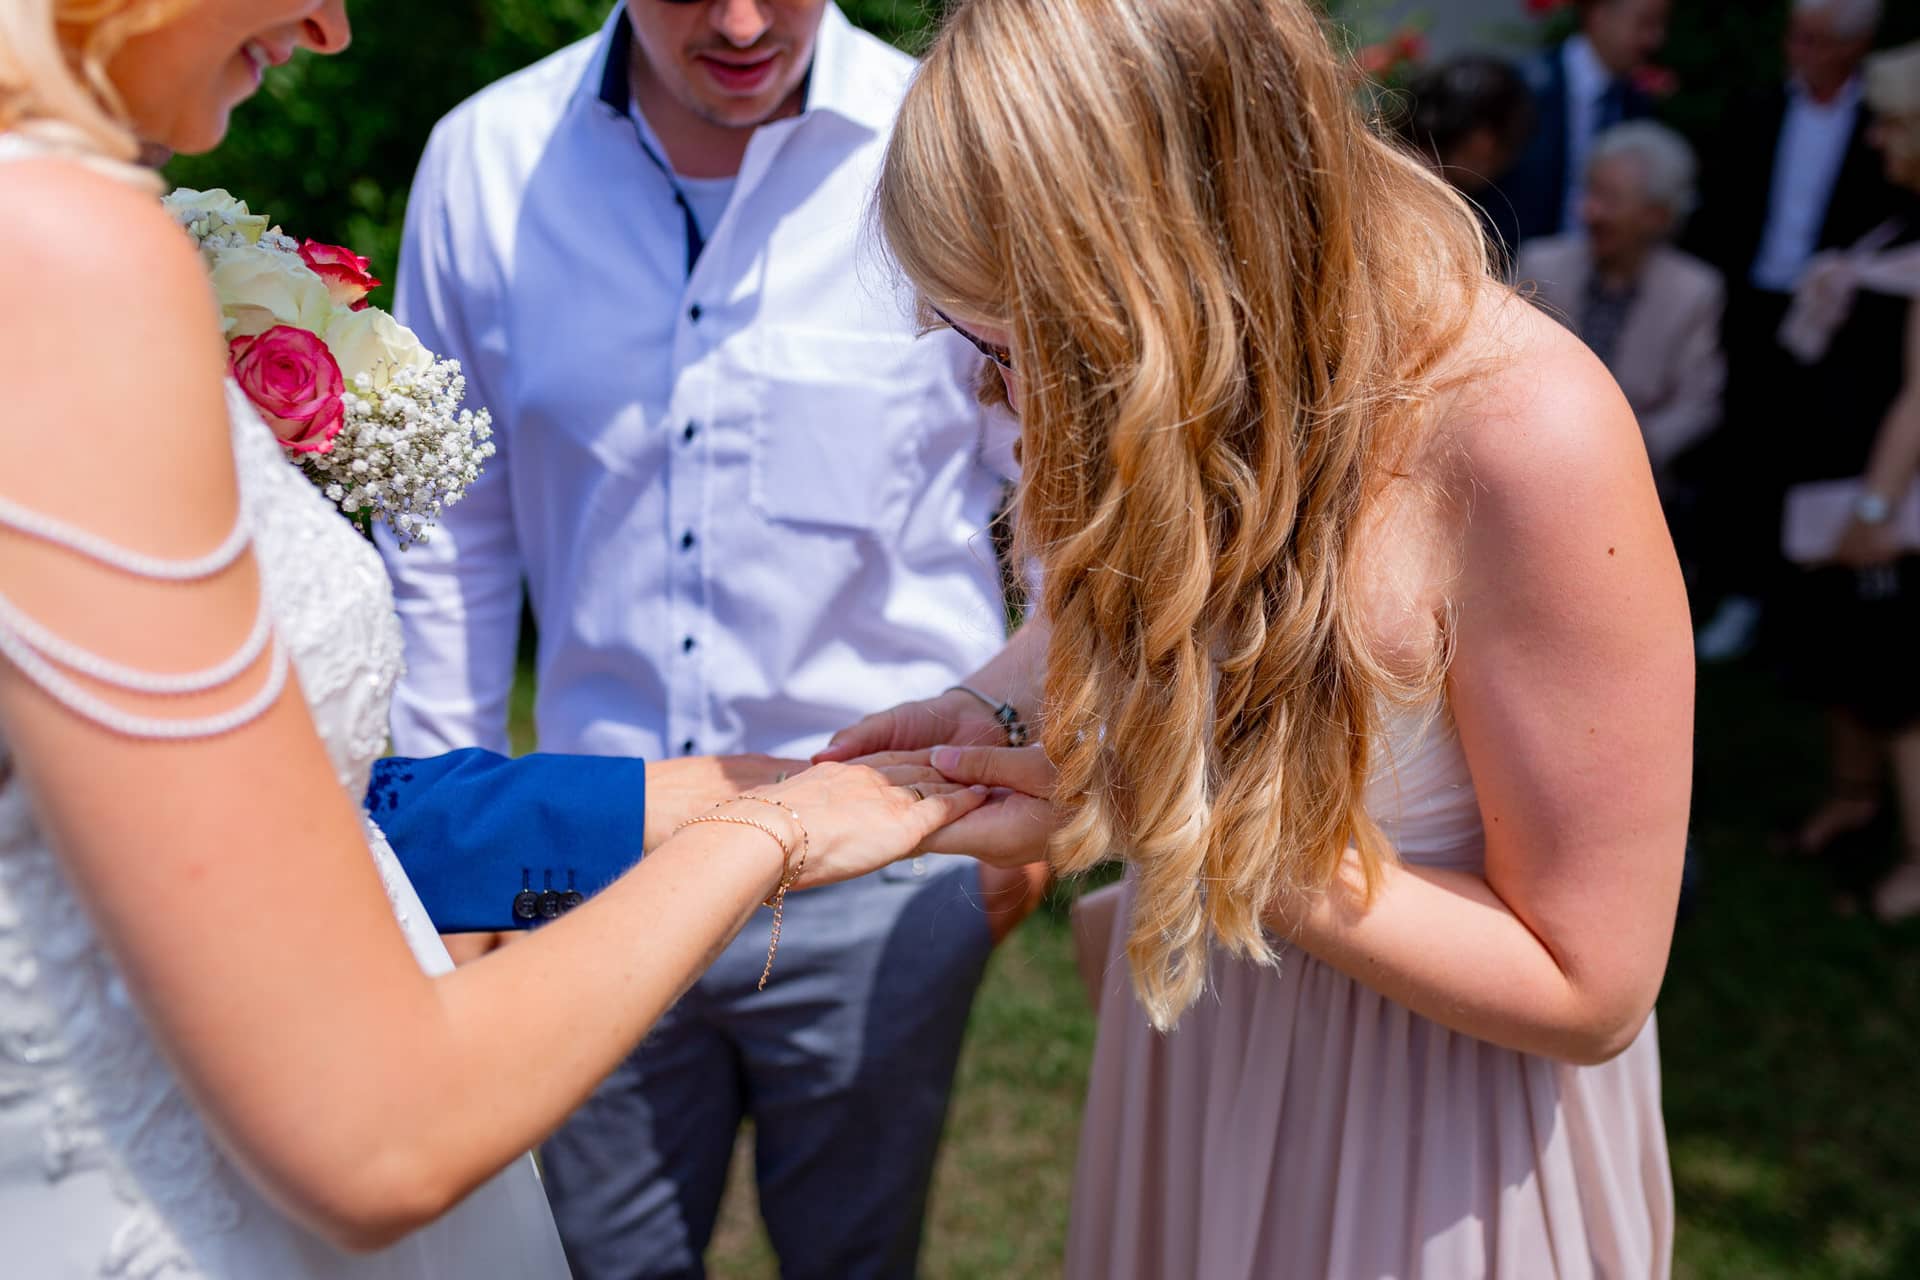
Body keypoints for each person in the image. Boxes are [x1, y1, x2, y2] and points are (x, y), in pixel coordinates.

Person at [0, 3, 987, 1277]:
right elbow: (375, 1136)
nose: (336, 23)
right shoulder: (74, 260)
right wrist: (778, 828)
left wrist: (824, 785)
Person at [849, 0, 1694, 1274]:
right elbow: (1119, 602)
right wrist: (999, 705)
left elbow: (1590, 984)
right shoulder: (1192, 379)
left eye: (1008, 341)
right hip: (1204, 1054)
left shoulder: (1528, 441)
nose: (990, 388)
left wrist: (1184, 820)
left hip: (1436, 1141)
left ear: (1169, 266)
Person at [378, 2, 1043, 1276]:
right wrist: (460, 856)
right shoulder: (486, 162)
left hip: (895, 857)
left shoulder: (959, 147)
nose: (740, 21)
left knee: (858, 1251)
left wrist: (1029, 752)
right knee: (600, 1257)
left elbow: (1067, 484)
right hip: (591, 851)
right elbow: (448, 534)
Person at [1687, 0, 1896, 666]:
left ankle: (1806, 604)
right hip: (1756, 306)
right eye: (1795, 34)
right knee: (1747, 448)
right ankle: (1743, 594)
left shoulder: (1878, 123)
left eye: (1816, 39)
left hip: (1846, 320)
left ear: (1856, 45)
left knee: (1820, 450)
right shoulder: (1758, 110)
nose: (1798, 50)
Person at [1771, 41, 1920, 918]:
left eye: (1896, 124)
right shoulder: (1898, 220)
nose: (1877, 140)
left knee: (1904, 685)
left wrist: (1876, 505)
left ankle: (1915, 862)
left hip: (1888, 504)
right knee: (1846, 657)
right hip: (1838, 487)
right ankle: (1852, 800)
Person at [1517, 121, 1725, 502]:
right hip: (1531, 472)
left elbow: (1698, 405)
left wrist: (1626, 449)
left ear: (1658, 216)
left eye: (1610, 199)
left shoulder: (1694, 291)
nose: (1590, 211)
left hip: (1634, 487)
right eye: (1590, 192)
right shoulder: (1540, 267)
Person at [1491, 0, 1669, 252]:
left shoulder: (1636, 102)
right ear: (1598, 15)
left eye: (1660, 24)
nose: (1655, 39)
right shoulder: (1526, 86)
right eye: (1645, 23)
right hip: (1515, 263)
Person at [1397, 54, 1535, 255]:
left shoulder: (1382, 168)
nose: (1505, 163)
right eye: (1507, 144)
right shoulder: (1426, 203)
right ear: (1482, 140)